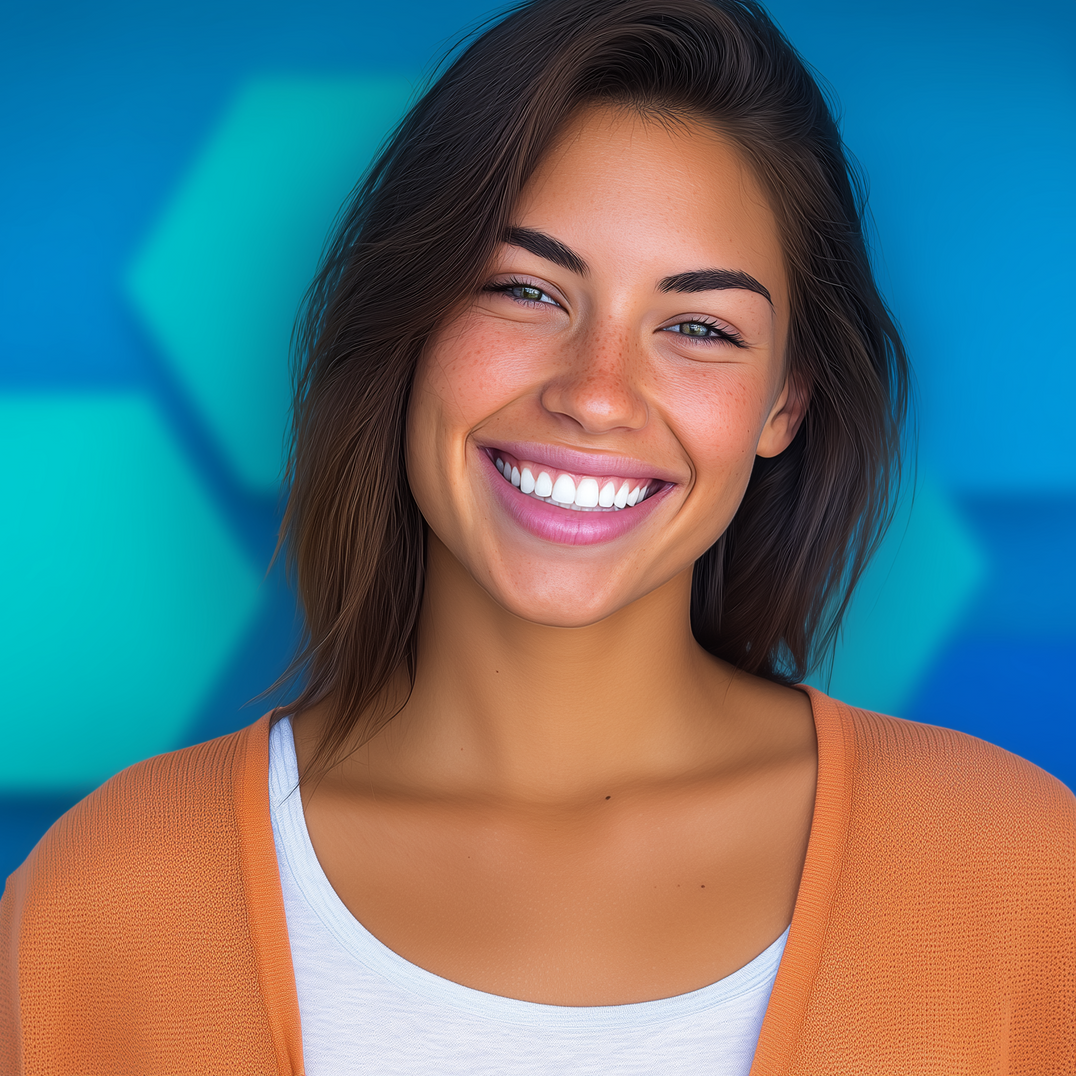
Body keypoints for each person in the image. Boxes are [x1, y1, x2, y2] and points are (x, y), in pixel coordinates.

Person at [2, 0, 1072, 1072]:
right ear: (412, 323)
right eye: (524, 290)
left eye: (698, 327)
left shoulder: (1017, 876)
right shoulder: (105, 901)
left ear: (783, 402)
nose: (596, 393)